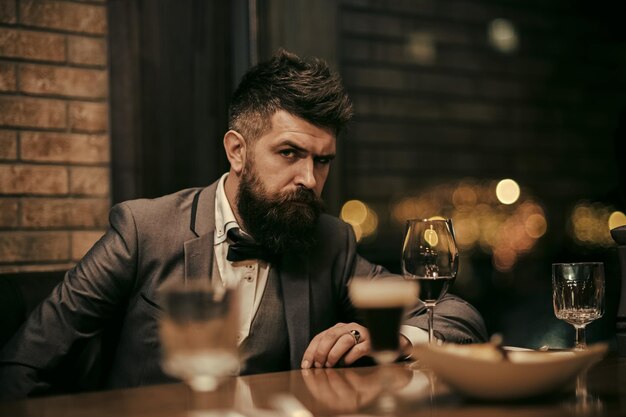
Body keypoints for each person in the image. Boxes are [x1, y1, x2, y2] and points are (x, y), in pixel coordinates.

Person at [0, 50, 487, 398]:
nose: (309, 179)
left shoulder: (330, 241)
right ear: (237, 150)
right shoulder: (142, 229)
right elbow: (26, 360)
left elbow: (456, 317)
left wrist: (389, 337)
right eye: (290, 153)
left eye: (322, 161)